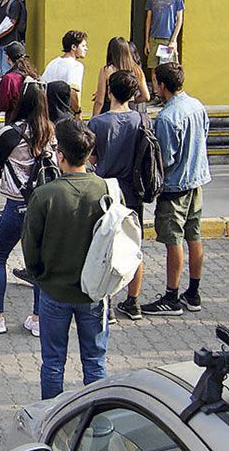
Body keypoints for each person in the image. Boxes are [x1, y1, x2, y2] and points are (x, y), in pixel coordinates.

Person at [21, 118, 110, 399]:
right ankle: (96, 420)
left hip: (54, 290)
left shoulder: (45, 195)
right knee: (95, 362)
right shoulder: (106, 190)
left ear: (60, 156)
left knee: (53, 363)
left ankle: (50, 416)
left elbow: (30, 248)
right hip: (93, 292)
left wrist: (40, 274)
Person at [0, 82, 53, 337]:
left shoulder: (9, 132)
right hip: (42, 207)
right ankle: (38, 318)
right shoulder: (49, 132)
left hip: (15, 206)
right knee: (39, 264)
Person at [140, 63, 211, 316]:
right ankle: (193, 292)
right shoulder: (196, 106)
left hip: (176, 185)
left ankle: (171, 295)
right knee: (194, 235)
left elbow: (165, 158)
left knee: (174, 240)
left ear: (162, 85)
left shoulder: (168, 118)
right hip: (196, 179)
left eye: (155, 82)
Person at [88, 70, 147, 320]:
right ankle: (133, 301)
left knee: (106, 245)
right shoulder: (141, 120)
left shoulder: (98, 123)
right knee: (134, 245)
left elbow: (91, 157)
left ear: (110, 91)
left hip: (106, 189)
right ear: (134, 94)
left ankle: (107, 302)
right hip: (133, 188)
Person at [92, 37, 151, 116]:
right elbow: (146, 96)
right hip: (130, 108)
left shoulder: (106, 70)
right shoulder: (136, 69)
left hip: (110, 109)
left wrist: (94, 118)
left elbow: (99, 101)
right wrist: (131, 99)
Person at [144, 0, 184, 67]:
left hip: (168, 39)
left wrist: (173, 40)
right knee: (153, 69)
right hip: (154, 39)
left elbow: (179, 20)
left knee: (168, 70)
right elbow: (148, 20)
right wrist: (147, 41)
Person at [42, 30, 88, 106]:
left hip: (49, 110)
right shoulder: (76, 66)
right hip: (65, 110)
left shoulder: (53, 63)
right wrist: (78, 111)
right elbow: (73, 92)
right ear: (73, 47)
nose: (86, 48)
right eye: (83, 46)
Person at [0, 42, 39, 123]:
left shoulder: (8, 79)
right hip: (33, 121)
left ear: (8, 59)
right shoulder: (34, 75)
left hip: (13, 122)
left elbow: (2, 105)